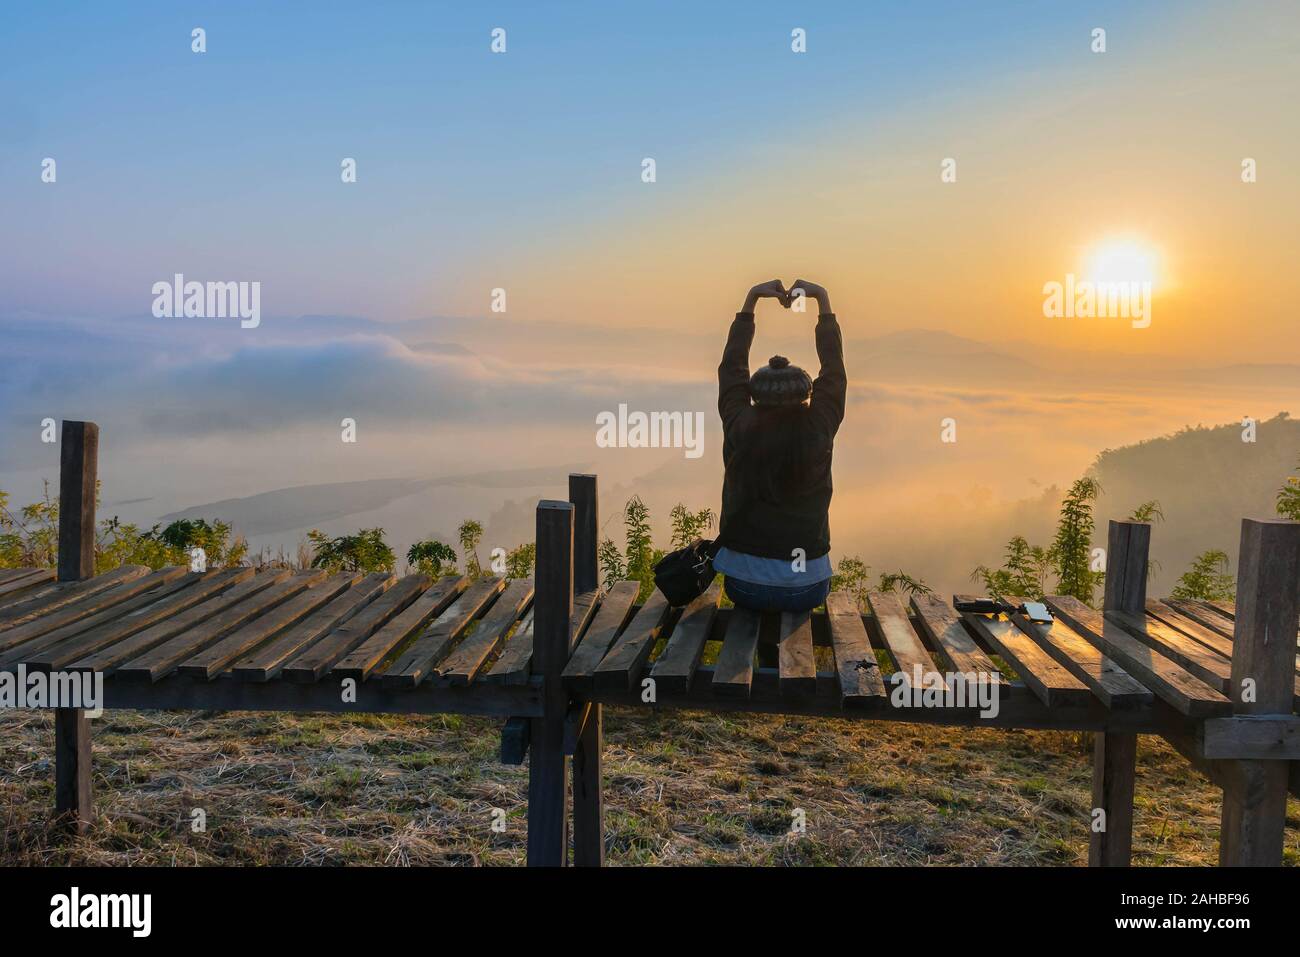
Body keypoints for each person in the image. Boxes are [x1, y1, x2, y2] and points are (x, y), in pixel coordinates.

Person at [714, 278, 846, 614]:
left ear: (754, 395)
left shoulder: (739, 423)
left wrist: (751, 301)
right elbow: (834, 372)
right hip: (806, 586)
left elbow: (732, 369)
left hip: (744, 585)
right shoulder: (818, 426)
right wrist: (822, 299)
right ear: (807, 394)